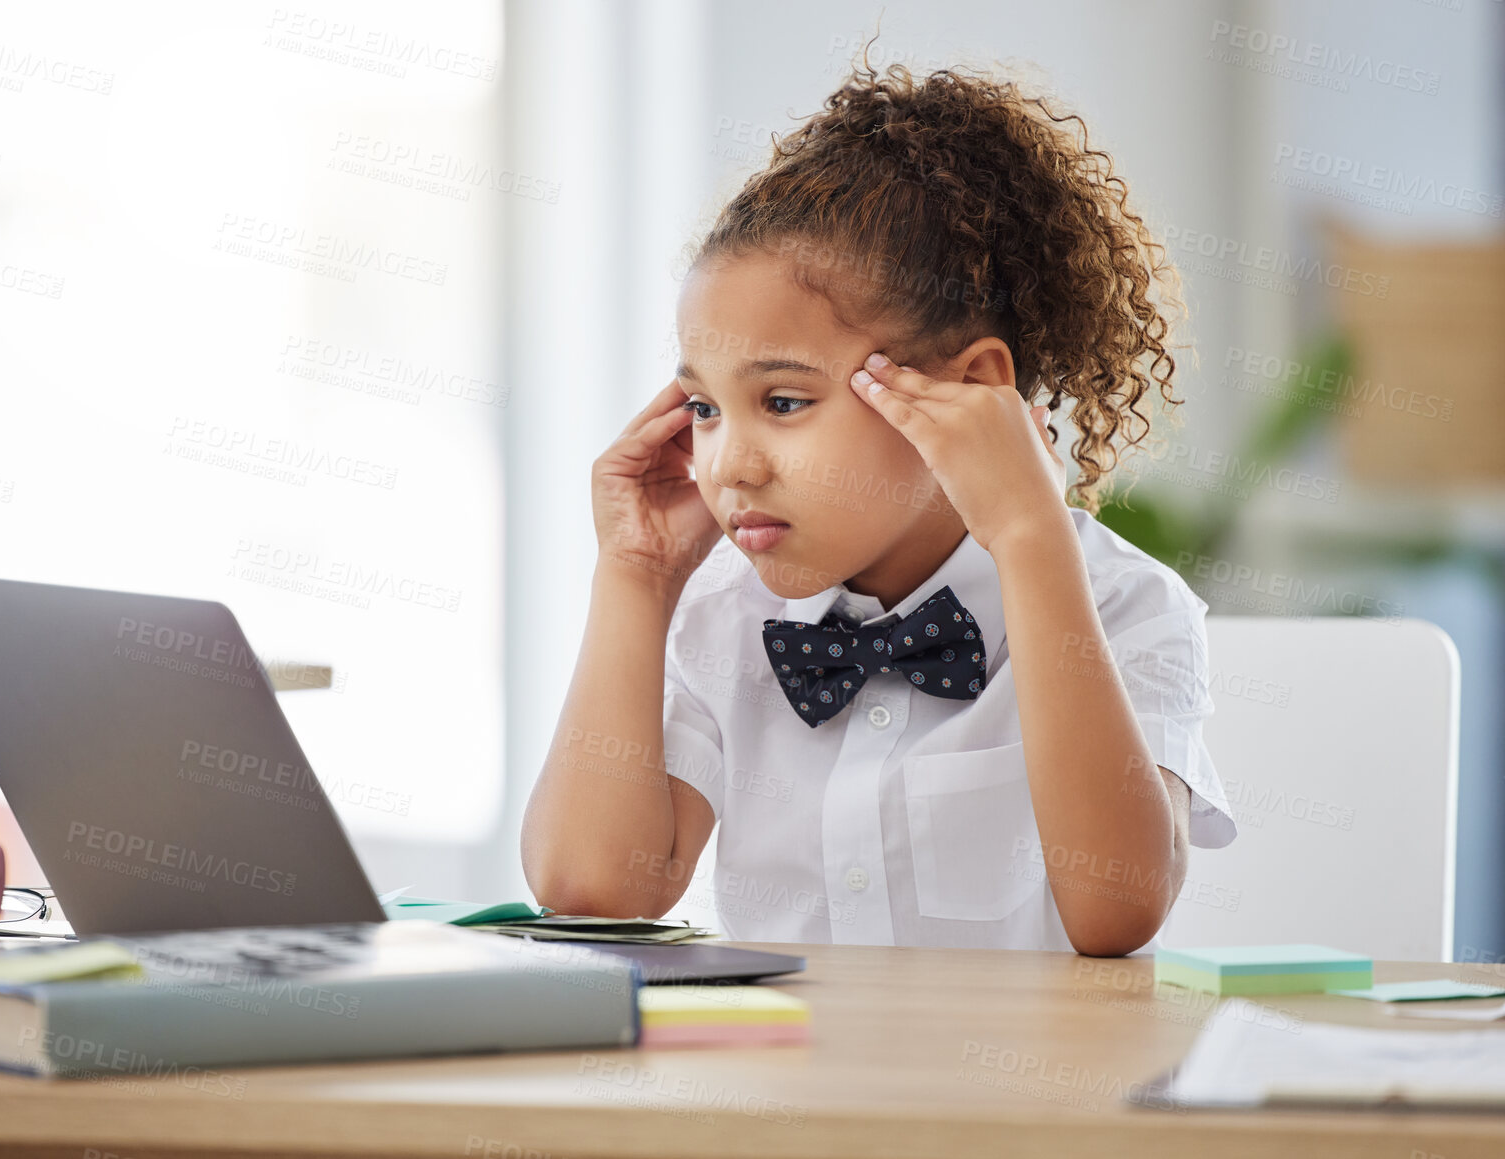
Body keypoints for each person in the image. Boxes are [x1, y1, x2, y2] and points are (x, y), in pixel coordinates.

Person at [522, 61, 1237, 956]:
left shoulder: (1125, 605)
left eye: (782, 403)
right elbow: (593, 891)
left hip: (1026, 1095)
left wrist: (1026, 535)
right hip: (786, 1093)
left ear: (970, 388)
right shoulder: (715, 618)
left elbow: (1114, 910)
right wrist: (634, 574)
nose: (728, 464)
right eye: (703, 410)